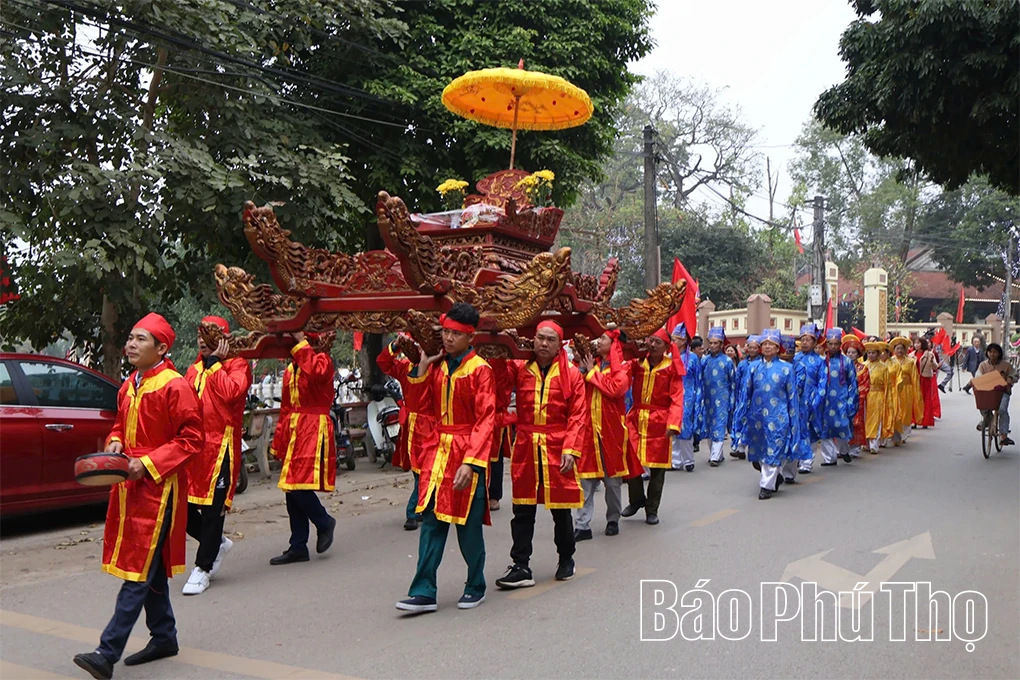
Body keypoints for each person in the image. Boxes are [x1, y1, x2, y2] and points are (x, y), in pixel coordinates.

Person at [73, 314, 203, 680]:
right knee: (150, 567)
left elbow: (192, 440)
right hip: (130, 486)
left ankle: (106, 651)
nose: (131, 344)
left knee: (138, 570)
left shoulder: (175, 386)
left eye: (140, 339)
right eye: (130, 338)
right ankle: (164, 637)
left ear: (161, 348)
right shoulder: (130, 384)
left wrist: (146, 462)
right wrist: (115, 440)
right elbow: (120, 424)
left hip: (159, 489)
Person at [397, 303, 495, 612]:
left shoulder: (480, 369)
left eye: (456, 334)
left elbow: (486, 419)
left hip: (466, 453)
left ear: (470, 336)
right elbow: (420, 406)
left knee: (468, 527)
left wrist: (471, 461)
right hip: (438, 453)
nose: (449, 339)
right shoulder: (438, 367)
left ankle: (475, 584)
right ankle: (424, 590)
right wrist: (423, 370)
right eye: (446, 333)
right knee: (431, 522)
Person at [491, 321, 585, 589]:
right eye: (540, 338)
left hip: (557, 446)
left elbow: (578, 415)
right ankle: (521, 565)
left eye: (550, 339)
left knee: (560, 510)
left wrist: (571, 448)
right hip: (526, 446)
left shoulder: (571, 374)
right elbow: (499, 383)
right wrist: (500, 347)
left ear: (559, 344)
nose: (543, 343)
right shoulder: (521, 368)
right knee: (522, 509)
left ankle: (566, 557)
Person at [181, 316, 252, 596]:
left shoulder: (237, 365)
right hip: (193, 449)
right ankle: (217, 543)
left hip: (221, 446)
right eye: (200, 334)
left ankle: (203, 567)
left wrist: (215, 365)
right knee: (182, 509)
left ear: (223, 338)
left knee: (213, 510)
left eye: (209, 334)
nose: (202, 340)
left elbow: (231, 393)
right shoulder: (192, 369)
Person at [267, 332, 338, 566]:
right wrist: (280, 440)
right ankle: (298, 545)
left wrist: (301, 342)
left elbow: (318, 375)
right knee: (290, 488)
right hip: (295, 429)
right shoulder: (291, 369)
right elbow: (286, 407)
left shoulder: (323, 360)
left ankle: (323, 520)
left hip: (313, 427)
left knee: (297, 485)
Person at [621, 328, 684, 525]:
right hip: (636, 417)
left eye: (658, 342)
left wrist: (673, 423)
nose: (653, 344)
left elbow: (677, 398)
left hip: (659, 419)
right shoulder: (637, 363)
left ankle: (652, 508)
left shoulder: (671, 367)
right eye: (651, 340)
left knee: (657, 468)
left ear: (666, 347)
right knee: (632, 460)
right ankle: (637, 499)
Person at [573, 327, 630, 540]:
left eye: (604, 338)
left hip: (611, 432)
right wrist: (581, 370)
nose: (599, 341)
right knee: (585, 480)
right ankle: (582, 525)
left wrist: (590, 373)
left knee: (612, 483)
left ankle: (613, 519)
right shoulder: (591, 364)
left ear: (614, 344)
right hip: (588, 430)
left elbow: (615, 388)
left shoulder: (622, 368)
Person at [377, 336, 436, 530]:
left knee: (427, 469)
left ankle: (422, 507)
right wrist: (394, 345)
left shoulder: (437, 366)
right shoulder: (404, 367)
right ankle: (414, 510)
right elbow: (383, 362)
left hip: (431, 424)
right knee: (420, 471)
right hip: (414, 426)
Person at [742, 329, 800, 498]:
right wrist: (742, 415)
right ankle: (775, 477)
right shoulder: (753, 367)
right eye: (764, 344)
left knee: (773, 448)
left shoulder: (787, 368)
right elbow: (745, 393)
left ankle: (766, 486)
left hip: (779, 416)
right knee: (759, 453)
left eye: (771, 344)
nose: (767, 347)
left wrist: (792, 418)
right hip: (756, 415)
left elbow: (792, 396)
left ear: (777, 348)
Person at [817, 329, 858, 466]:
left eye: (836, 344)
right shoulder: (822, 361)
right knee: (825, 430)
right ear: (826, 344)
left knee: (842, 427)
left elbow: (852, 382)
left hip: (841, 399)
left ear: (840, 344)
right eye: (830, 344)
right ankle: (830, 458)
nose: (833, 346)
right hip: (825, 400)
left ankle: (844, 450)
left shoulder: (847, 362)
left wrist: (851, 400)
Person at [967, 343, 1017, 446]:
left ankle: (1004, 435)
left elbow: (1015, 374)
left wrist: (1009, 380)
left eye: (994, 352)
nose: (992, 354)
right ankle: (987, 419)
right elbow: (978, 376)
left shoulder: (1006, 365)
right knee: (982, 405)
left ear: (999, 353)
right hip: (987, 392)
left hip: (1003, 392)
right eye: (990, 352)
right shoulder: (983, 365)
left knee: (1002, 410)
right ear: (987, 353)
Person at [792, 324, 826, 473]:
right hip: (796, 401)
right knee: (797, 429)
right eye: (803, 339)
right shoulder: (794, 359)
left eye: (808, 340)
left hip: (812, 401)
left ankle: (807, 461)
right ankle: (798, 458)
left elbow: (823, 383)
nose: (805, 342)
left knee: (810, 432)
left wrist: (817, 400)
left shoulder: (820, 361)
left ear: (815, 343)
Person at [701, 326, 735, 467]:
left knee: (720, 426)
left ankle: (714, 456)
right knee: (709, 427)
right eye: (711, 343)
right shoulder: (704, 361)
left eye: (716, 343)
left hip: (722, 398)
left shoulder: (727, 362)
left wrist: (732, 400)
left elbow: (733, 383)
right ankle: (717, 454)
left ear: (722, 345)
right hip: (707, 399)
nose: (713, 346)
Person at [670, 324, 702, 472]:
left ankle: (688, 460)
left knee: (686, 427)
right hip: (672, 396)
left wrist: (698, 397)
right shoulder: (669, 357)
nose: (672, 342)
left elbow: (698, 379)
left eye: (674, 339)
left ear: (682, 341)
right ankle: (675, 461)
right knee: (673, 426)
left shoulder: (693, 358)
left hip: (688, 396)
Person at [731, 335, 762, 459]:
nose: (752, 349)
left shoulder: (761, 363)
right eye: (750, 347)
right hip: (743, 397)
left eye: (755, 347)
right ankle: (740, 447)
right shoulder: (742, 364)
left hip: (756, 397)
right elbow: (737, 381)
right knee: (742, 420)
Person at [888, 337, 923, 446]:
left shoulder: (910, 362)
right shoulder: (891, 361)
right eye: (897, 349)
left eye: (902, 349)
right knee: (895, 411)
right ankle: (895, 434)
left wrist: (915, 390)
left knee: (905, 412)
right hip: (894, 389)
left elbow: (914, 377)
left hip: (907, 389)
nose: (900, 351)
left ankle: (904, 433)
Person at [842, 335, 870, 458]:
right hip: (842, 399)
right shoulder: (841, 367)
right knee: (843, 423)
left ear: (858, 354)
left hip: (857, 400)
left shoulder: (863, 368)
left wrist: (855, 395)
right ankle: (843, 448)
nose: (851, 354)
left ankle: (855, 448)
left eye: (853, 352)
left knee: (857, 424)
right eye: (848, 352)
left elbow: (865, 384)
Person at [863, 341, 888, 453]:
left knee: (876, 419)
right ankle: (866, 443)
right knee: (865, 418)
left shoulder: (883, 367)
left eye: (873, 353)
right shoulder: (863, 366)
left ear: (878, 354)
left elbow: (888, 384)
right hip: (865, 395)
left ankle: (874, 444)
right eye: (869, 353)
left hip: (878, 395)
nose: (871, 355)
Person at [915, 337, 939, 429]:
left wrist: (932, 361)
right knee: (916, 400)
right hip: (915, 379)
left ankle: (925, 420)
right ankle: (916, 421)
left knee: (926, 400)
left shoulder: (929, 354)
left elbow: (935, 367)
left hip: (925, 379)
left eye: (918, 343)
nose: (916, 345)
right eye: (915, 343)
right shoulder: (911, 355)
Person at [689, 335, 705, 453]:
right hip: (690, 393)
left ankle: (696, 441)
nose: (702, 350)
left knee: (698, 417)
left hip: (701, 392)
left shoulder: (704, 360)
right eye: (699, 348)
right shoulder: (690, 359)